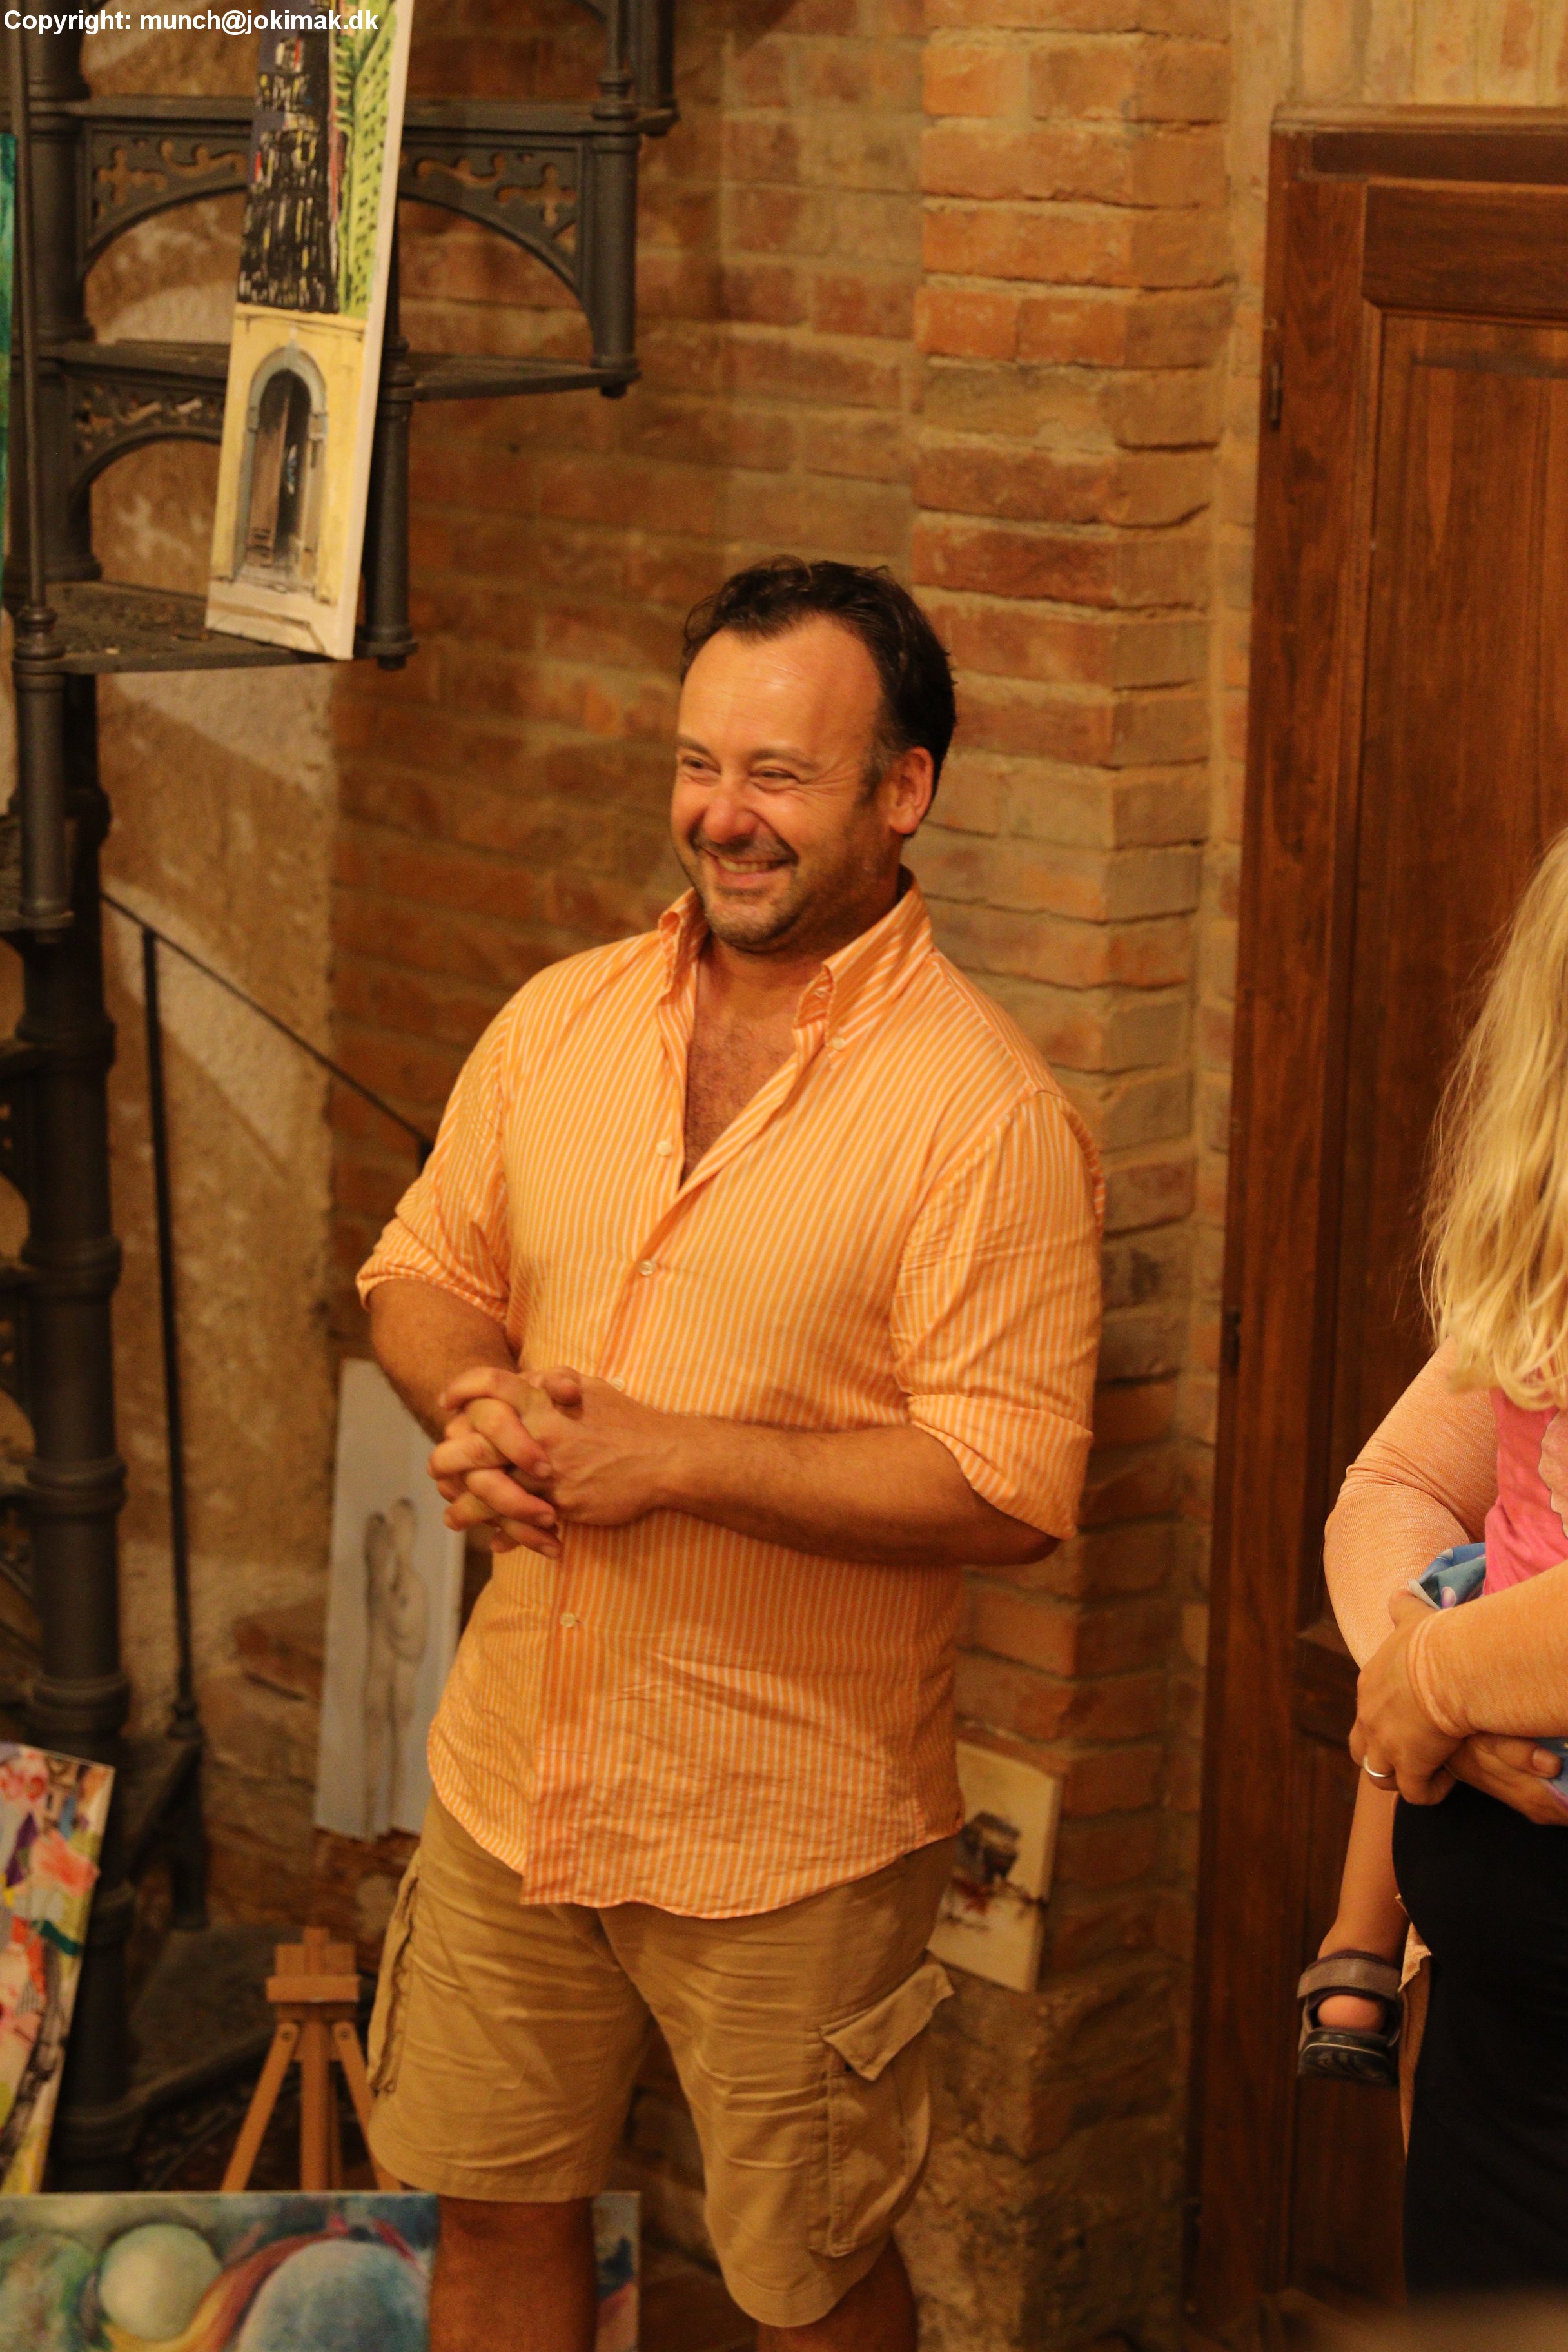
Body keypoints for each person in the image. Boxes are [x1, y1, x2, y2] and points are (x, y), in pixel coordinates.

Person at [356, 557, 1104, 2352]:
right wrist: (478, 1402)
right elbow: (421, 1272)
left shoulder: (985, 1114)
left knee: (808, 2286)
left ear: (902, 790)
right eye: (699, 764)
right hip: (514, 1775)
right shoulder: (564, 1018)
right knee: (494, 2214)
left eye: (777, 773)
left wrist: (676, 1460)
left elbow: (1009, 1486)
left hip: (791, 1834)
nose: (721, 815)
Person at [1321, 827, 1568, 2295]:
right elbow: (1398, 1489)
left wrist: (1442, 1683)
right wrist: (1437, 1685)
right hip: (1502, 2052)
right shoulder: (1553, 1242)